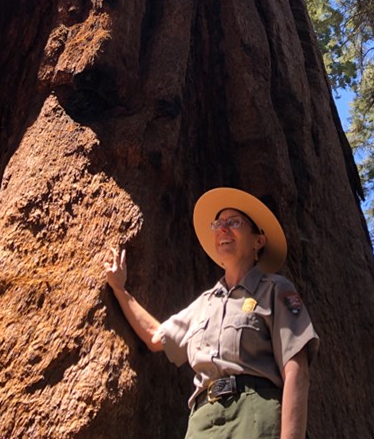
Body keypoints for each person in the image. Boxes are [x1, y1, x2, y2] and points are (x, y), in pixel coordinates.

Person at [104, 187, 319, 439]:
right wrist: (119, 289)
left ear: (258, 240)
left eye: (234, 222)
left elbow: (296, 369)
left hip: (254, 414)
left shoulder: (275, 289)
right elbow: (155, 336)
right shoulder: (205, 302)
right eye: (218, 224)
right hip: (203, 421)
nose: (223, 229)